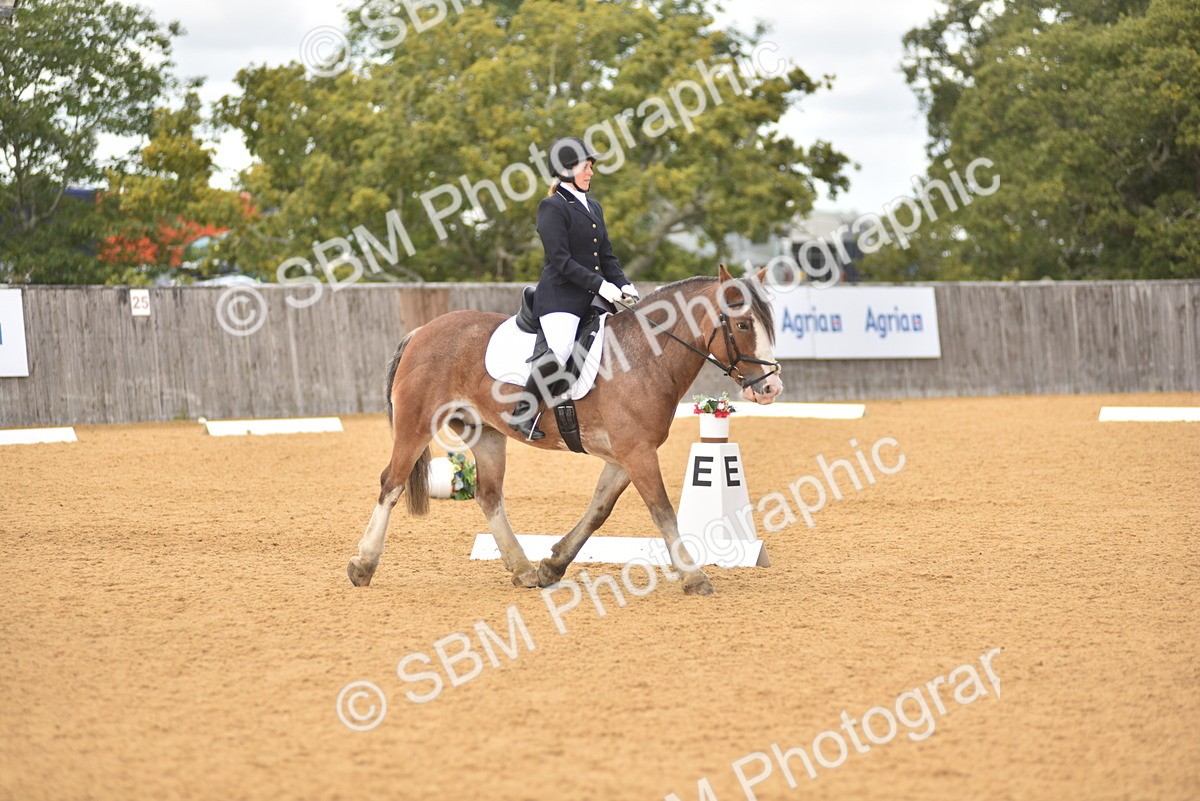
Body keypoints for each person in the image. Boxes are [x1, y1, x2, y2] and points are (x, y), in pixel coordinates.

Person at [509, 136, 639, 440]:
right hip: (560, 298)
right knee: (563, 348)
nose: (591, 172)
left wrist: (623, 283)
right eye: (586, 166)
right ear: (566, 170)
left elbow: (606, 256)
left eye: (591, 167)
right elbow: (561, 260)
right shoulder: (552, 207)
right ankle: (523, 413)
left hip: (593, 298)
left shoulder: (594, 207)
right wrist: (602, 286)